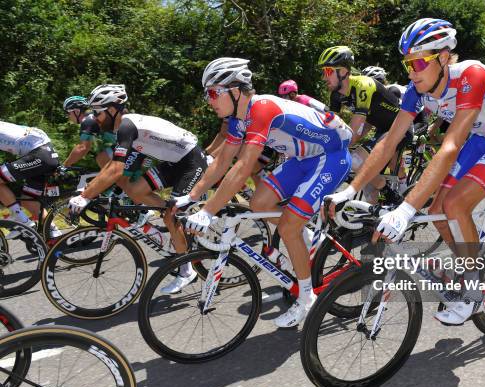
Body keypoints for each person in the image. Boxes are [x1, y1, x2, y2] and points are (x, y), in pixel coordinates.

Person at [325, 18, 485, 325]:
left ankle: (473, 287)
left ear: (442, 57)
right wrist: (348, 190)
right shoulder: (416, 90)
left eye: (419, 63)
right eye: (407, 64)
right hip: (482, 137)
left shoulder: (471, 76)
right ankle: (472, 262)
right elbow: (388, 144)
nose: (412, 72)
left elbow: (450, 146)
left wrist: (406, 209)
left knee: (455, 205)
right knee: (439, 211)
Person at [181, 57, 352, 327]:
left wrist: (208, 210)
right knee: (259, 202)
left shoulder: (261, 108)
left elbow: (243, 166)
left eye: (213, 93)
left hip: (330, 157)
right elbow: (222, 162)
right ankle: (306, 235)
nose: (209, 100)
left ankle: (307, 298)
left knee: (287, 229)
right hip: (302, 159)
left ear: (235, 91)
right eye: (207, 94)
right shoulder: (238, 119)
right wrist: (191, 197)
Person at [68, 84, 208, 294]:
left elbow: (115, 169)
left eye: (97, 112)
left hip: (190, 162)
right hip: (172, 161)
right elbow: (114, 166)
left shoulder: (126, 126)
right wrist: (90, 189)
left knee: (171, 217)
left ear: (113, 109)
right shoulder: (121, 128)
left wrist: (86, 196)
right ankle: (173, 215)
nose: (95, 118)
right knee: (135, 190)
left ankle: (187, 271)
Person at [319, 46, 406, 203]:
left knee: (357, 161)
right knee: (366, 180)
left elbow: (354, 126)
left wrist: (341, 145)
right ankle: (371, 219)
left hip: (400, 127)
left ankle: (391, 193)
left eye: (328, 71)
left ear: (344, 71)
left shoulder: (363, 85)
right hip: (380, 129)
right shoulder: (336, 95)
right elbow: (334, 124)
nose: (324, 78)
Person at [0, 120, 60, 236]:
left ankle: (21, 219)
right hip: (46, 155)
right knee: (28, 200)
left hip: (39, 155)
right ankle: (53, 233)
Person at [62, 96, 116, 168]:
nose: (68, 116)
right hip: (128, 141)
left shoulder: (87, 120)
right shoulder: (92, 116)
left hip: (128, 142)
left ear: (77, 111)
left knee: (102, 158)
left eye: (68, 113)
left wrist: (65, 165)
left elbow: (83, 148)